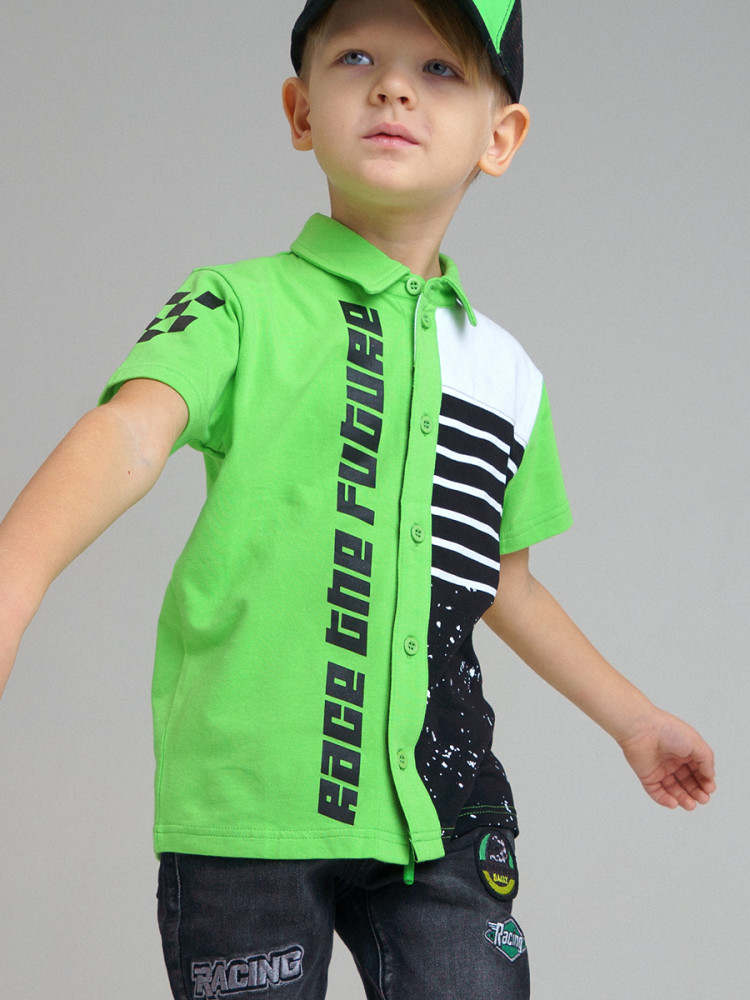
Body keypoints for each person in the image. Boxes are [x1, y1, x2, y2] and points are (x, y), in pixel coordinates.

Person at [0, 0, 716, 997]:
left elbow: (503, 580)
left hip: (441, 810)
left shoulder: (506, 374)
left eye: (440, 69)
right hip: (251, 803)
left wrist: (633, 719)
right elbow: (128, 431)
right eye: (357, 57)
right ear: (301, 111)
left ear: (500, 136)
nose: (392, 88)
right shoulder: (236, 304)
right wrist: (15, 579)